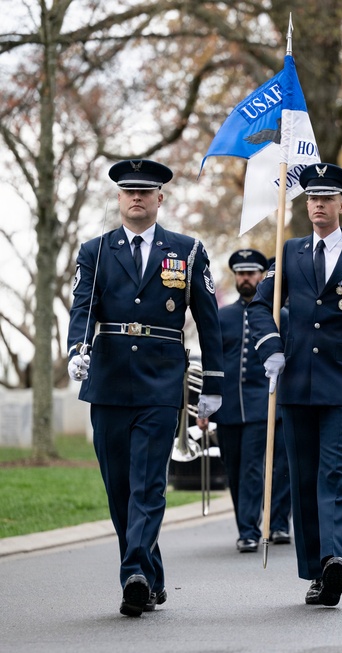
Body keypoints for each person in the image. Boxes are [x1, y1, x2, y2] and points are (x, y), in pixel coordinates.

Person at [67, 159, 224, 616]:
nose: (136, 198)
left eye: (145, 191)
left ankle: (133, 573)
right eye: (128, 191)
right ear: (118, 198)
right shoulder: (95, 251)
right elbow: (82, 307)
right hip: (109, 382)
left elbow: (209, 323)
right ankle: (149, 574)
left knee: (148, 485)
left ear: (160, 199)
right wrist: (77, 348)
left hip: (161, 382)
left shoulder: (188, 250)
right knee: (119, 488)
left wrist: (211, 385)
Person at [247, 162, 342, 607]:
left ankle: (334, 560)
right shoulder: (287, 252)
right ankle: (315, 570)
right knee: (304, 478)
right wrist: (271, 346)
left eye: (326, 198)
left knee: (334, 474)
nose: (318, 205)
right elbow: (258, 306)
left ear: (341, 204)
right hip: (297, 386)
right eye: (312, 198)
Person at [204, 249, 291, 553]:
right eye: (241, 273)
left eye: (251, 273)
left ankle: (250, 531)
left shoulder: (278, 313)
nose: (245, 278)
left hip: (262, 403)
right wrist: (206, 399)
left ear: (261, 276)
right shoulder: (222, 315)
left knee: (255, 468)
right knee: (235, 469)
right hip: (228, 407)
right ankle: (248, 524)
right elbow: (212, 359)